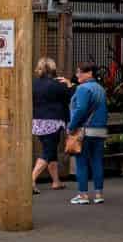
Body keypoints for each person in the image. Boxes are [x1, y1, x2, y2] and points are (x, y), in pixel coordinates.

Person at [68, 61, 108, 205]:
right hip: (100, 130)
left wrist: (71, 126)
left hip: (85, 130)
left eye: (80, 72)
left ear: (89, 73)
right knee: (97, 161)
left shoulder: (82, 89)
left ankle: (83, 195)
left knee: (82, 163)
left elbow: (81, 109)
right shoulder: (100, 89)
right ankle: (98, 194)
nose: (77, 74)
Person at [31, 58, 71, 194]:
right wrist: (70, 85)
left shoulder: (34, 84)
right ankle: (30, 180)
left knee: (51, 150)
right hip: (54, 121)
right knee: (48, 152)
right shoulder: (59, 84)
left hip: (37, 121)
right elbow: (70, 98)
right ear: (53, 69)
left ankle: (56, 181)